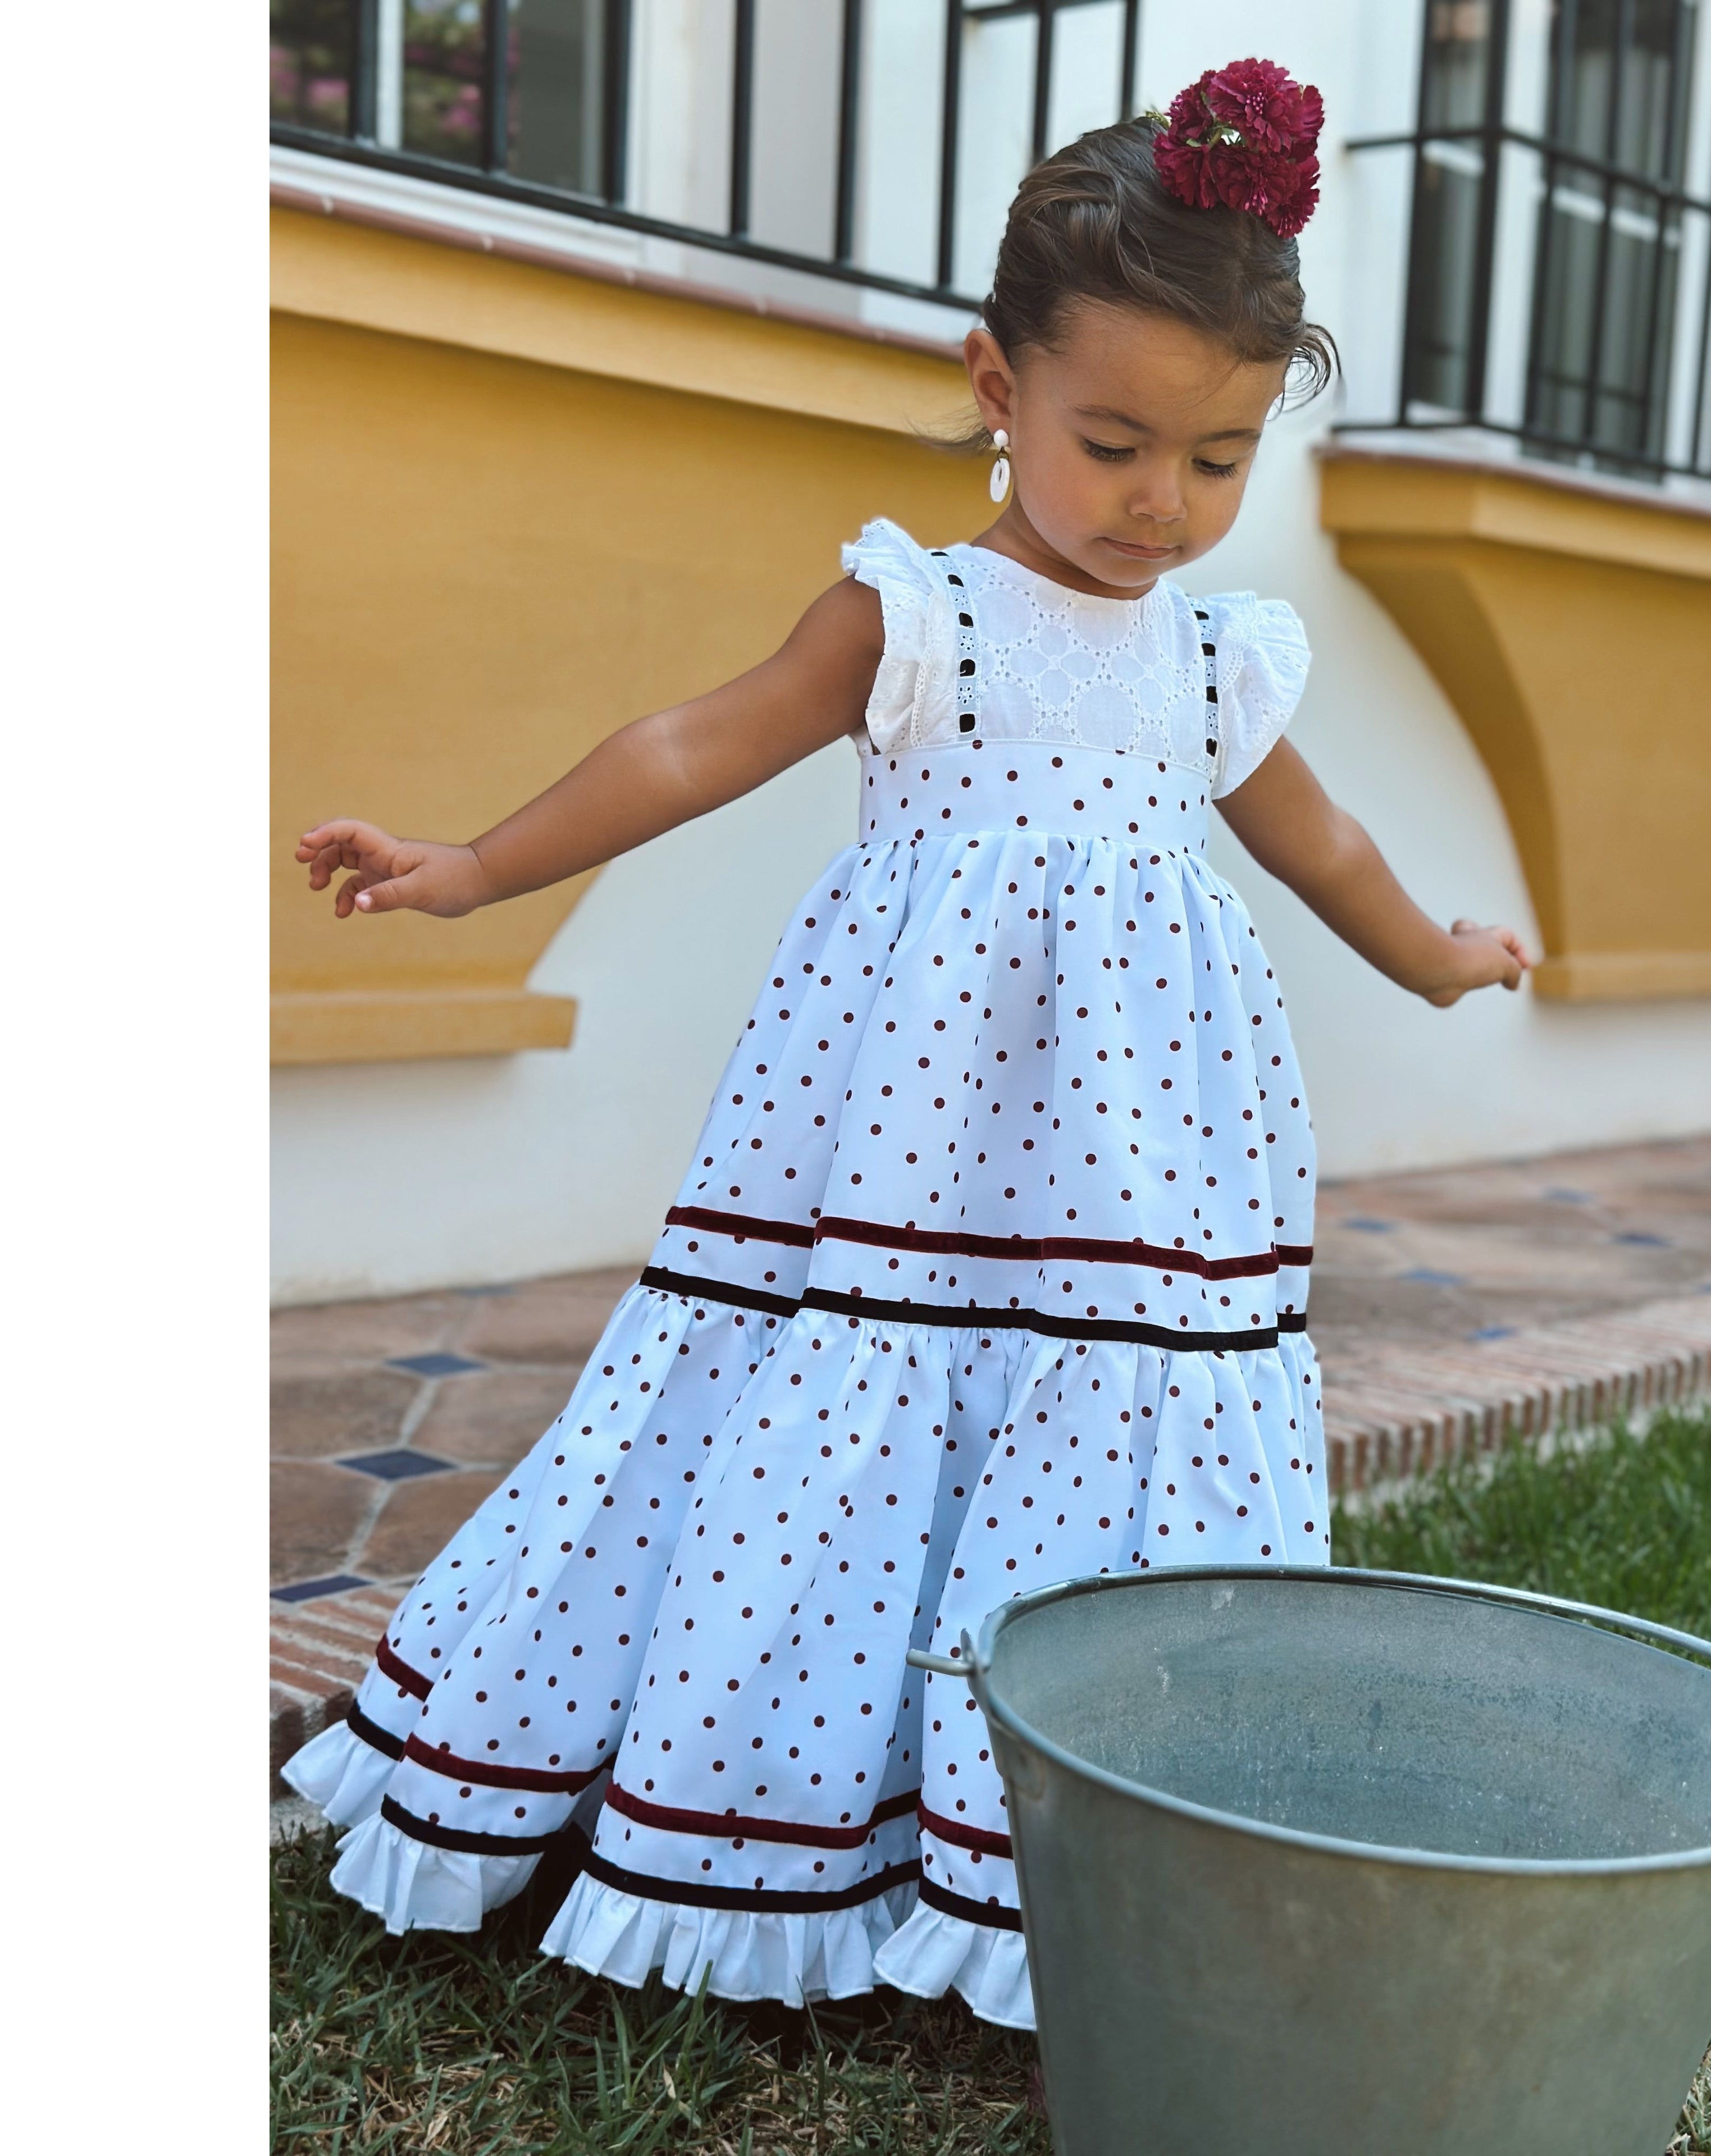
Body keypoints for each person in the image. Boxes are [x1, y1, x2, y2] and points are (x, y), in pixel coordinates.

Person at [281, 63, 1533, 2031]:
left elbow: (1326, 848)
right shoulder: (924, 617)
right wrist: (472, 870)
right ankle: (766, 1799)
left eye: (1218, 460)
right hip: (898, 1140)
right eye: (1115, 442)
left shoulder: (1215, 660)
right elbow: (689, 746)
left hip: (1132, 1156)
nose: (1163, 502)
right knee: (844, 1418)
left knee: (1082, 1429)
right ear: (995, 386)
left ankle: (1030, 1829)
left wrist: (1441, 961)